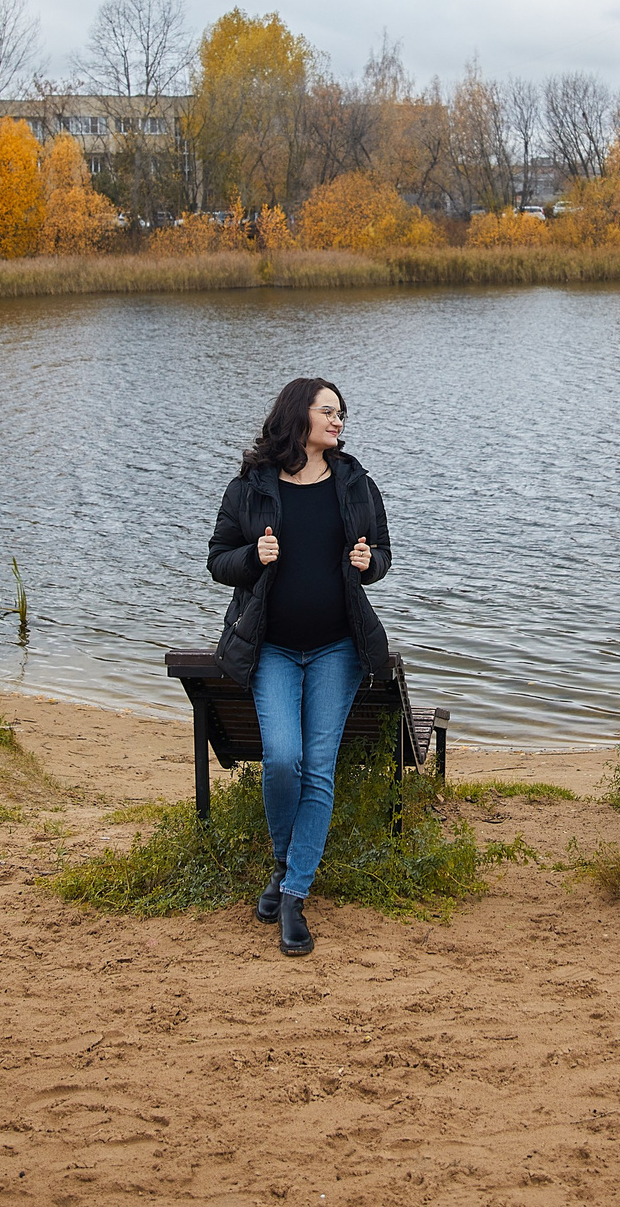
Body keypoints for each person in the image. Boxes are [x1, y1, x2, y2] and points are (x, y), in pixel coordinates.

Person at [206, 377, 394, 957]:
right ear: (299, 418)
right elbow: (218, 560)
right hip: (274, 650)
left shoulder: (356, 483)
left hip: (338, 647)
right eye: (329, 412)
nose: (340, 422)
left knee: (318, 768)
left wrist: (367, 562)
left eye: (342, 414)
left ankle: (292, 893)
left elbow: (383, 555)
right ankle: (286, 861)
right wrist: (252, 557)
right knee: (283, 759)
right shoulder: (251, 488)